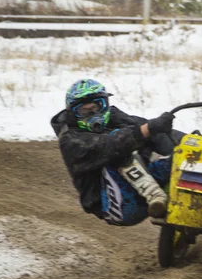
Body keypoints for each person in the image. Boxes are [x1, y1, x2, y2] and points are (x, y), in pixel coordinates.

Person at [50, 79, 183, 225]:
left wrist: (188, 142)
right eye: (85, 111)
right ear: (73, 113)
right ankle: (156, 196)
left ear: (105, 104)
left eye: (96, 107)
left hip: (141, 182)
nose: (93, 114)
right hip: (115, 205)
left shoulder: (114, 117)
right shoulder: (70, 140)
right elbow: (109, 145)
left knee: (179, 152)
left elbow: (147, 128)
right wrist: (146, 130)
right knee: (120, 146)